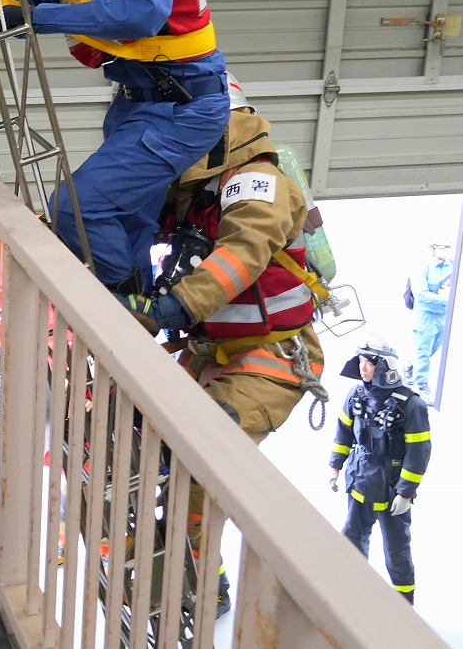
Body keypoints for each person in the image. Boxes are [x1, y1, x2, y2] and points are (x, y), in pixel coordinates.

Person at [121, 79, 327, 616]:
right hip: (207, 352)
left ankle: (202, 588)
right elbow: (137, 214)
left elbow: (243, 252)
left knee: (198, 471)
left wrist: (177, 306)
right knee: (149, 439)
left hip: (269, 359)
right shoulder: (201, 186)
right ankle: (173, 557)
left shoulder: (258, 181)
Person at [0, 0, 230, 296]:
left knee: (75, 209)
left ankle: (126, 307)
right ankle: (134, 310)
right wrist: (8, 3)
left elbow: (140, 13)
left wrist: (36, 18)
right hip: (134, 102)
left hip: (183, 109)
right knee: (127, 222)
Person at [328, 335, 432, 605]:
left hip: (391, 488)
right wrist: (335, 465)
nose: (363, 368)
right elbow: (343, 432)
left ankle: (404, 602)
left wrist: (405, 493)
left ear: (385, 366)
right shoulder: (356, 394)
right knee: (351, 537)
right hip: (359, 480)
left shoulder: (411, 405)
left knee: (396, 549)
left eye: (369, 363)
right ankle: (350, 594)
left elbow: (419, 453)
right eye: (361, 361)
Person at [408, 241, 454, 397]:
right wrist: (448, 299)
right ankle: (421, 383)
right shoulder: (423, 268)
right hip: (426, 315)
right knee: (424, 350)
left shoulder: (451, 265)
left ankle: (410, 365)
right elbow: (421, 295)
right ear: (432, 250)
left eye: (447, 248)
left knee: (434, 348)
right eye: (442, 248)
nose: (445, 251)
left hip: (444, 314)